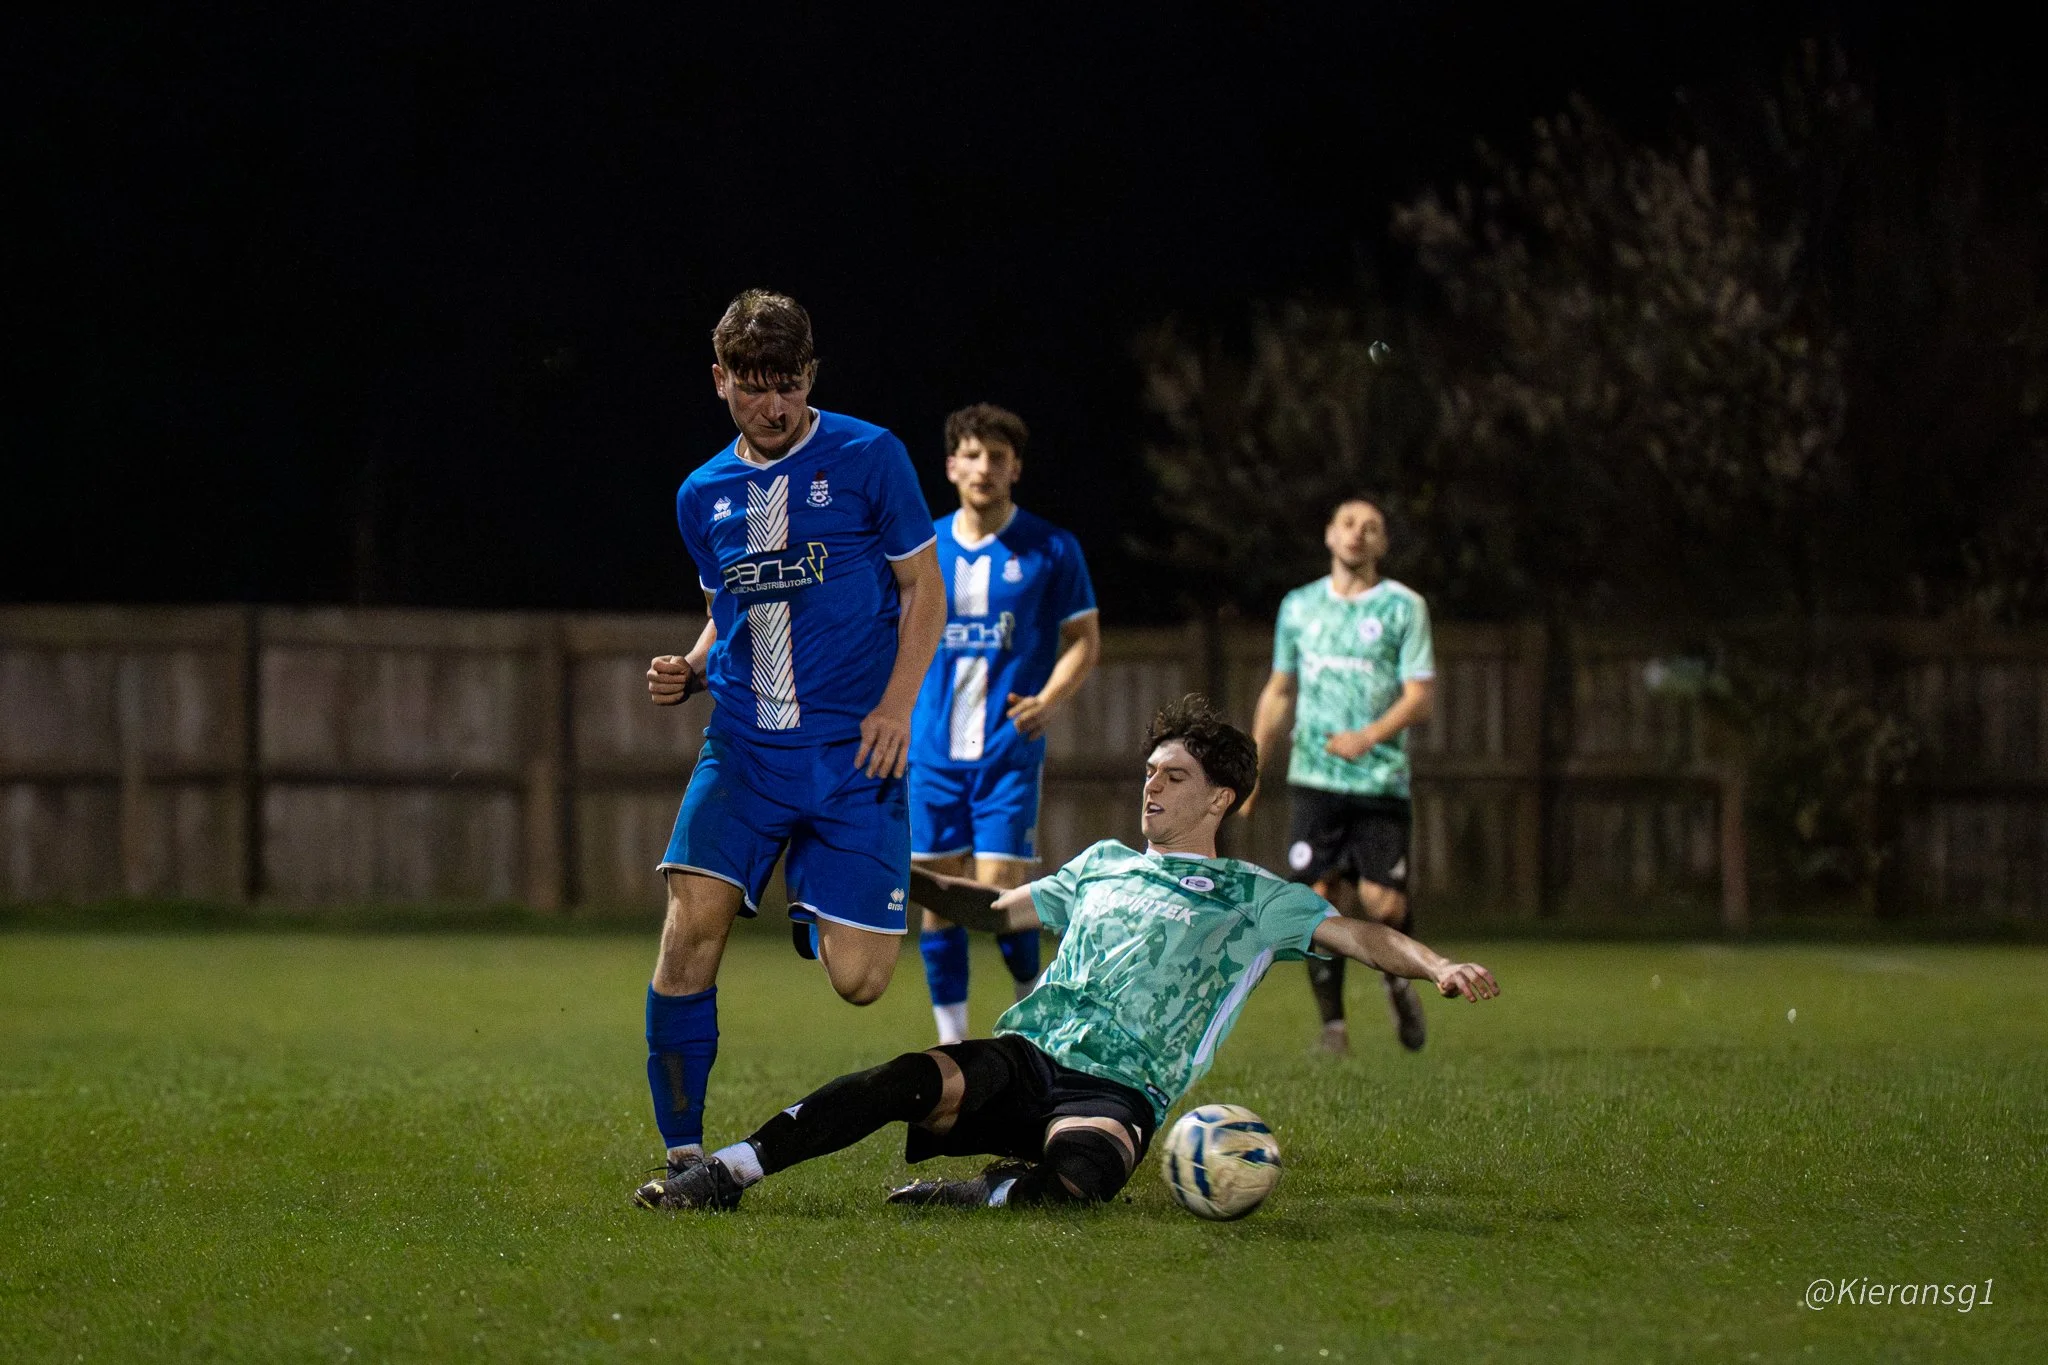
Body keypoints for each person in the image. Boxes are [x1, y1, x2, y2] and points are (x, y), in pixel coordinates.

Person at [632, 696, 1496, 1213]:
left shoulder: (1256, 899)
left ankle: (984, 1191)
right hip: (1027, 1055)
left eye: (1174, 776)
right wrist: (897, 874)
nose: (1150, 786)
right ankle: (726, 1173)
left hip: (1116, 1090)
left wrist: (1435, 964)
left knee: (1085, 1176)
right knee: (900, 1078)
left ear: (1221, 797)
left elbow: (1359, 933)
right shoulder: (1103, 866)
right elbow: (992, 909)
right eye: (1150, 771)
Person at [638, 289, 947, 1189]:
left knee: (861, 981)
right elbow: (726, 603)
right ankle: (685, 1146)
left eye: (789, 385)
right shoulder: (702, 494)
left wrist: (896, 706)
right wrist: (695, 665)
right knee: (687, 927)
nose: (775, 407)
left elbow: (922, 591)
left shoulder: (869, 456)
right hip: (744, 745)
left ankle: (816, 895)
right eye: (754, 386)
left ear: (811, 375)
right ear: (720, 381)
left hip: (858, 754)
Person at [909, 403, 1100, 1046]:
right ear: (950, 466)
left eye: (997, 455)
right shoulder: (922, 548)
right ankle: (953, 1045)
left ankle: (1026, 1014)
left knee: (996, 898)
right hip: (932, 752)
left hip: (1006, 752)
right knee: (938, 899)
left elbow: (1083, 639)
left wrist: (1049, 699)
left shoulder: (1052, 548)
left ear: (1015, 467)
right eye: (971, 453)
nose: (984, 466)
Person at [1243, 497, 1437, 1055]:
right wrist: (1255, 766)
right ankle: (1334, 1031)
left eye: (1372, 527)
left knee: (1383, 904)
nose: (1358, 534)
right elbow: (1279, 691)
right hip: (1315, 780)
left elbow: (1420, 698)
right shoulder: (1300, 606)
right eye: (1349, 524)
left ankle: (1398, 981)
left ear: (1383, 544)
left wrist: (1368, 737)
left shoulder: (1404, 607)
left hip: (1379, 782)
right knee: (1316, 904)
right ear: (1329, 535)